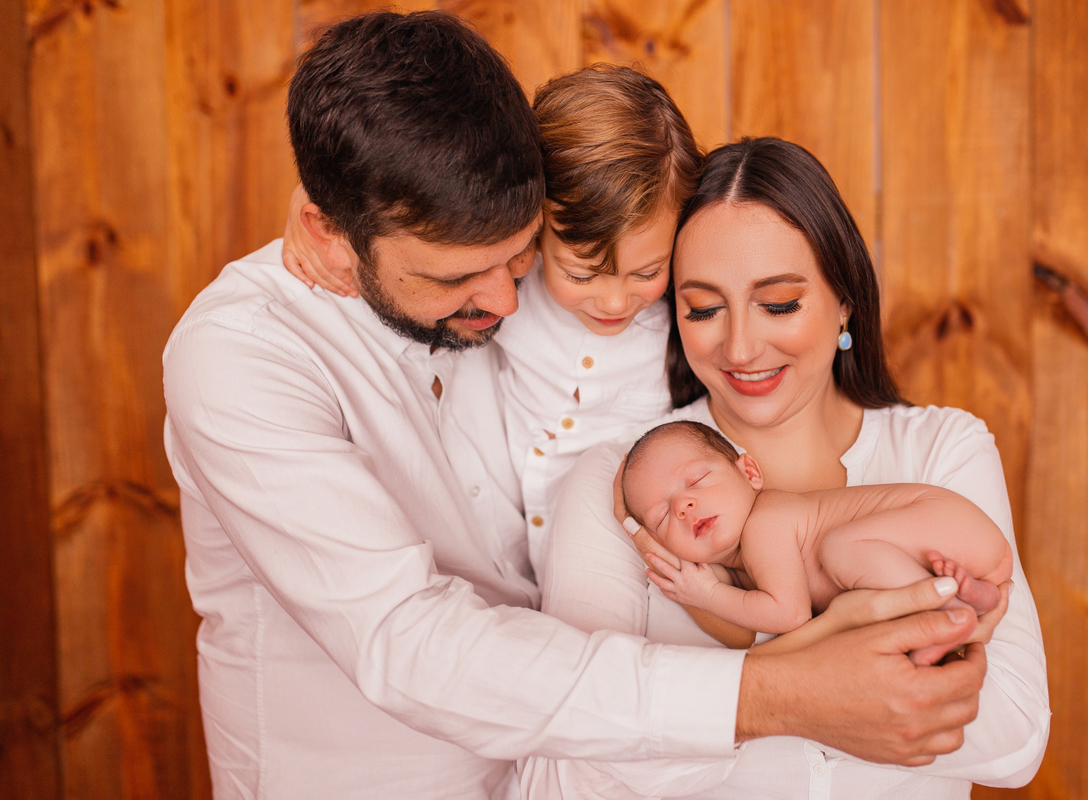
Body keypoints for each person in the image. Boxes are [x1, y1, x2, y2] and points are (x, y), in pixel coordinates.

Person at [164, 10, 1000, 799]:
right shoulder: (241, 359)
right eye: (457, 278)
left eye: (524, 255)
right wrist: (775, 692)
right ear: (323, 231)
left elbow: (635, 176)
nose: (505, 303)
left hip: (555, 772)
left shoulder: (516, 270)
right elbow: (406, 643)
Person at [521, 138, 1049, 799]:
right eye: (704, 309)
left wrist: (701, 708)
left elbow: (1015, 740)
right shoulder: (625, 483)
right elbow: (580, 765)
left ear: (845, 301)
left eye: (778, 304)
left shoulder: (942, 449)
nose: (740, 346)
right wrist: (808, 685)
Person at [284, 64, 703, 584]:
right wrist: (307, 196)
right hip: (528, 574)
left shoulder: (686, 323)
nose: (616, 300)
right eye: (583, 273)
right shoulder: (511, 286)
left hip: (646, 566)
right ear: (537, 226)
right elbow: (435, 173)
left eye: (647, 272)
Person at [621, 420, 1011, 664]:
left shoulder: (766, 521)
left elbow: (790, 616)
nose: (685, 506)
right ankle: (970, 597)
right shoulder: (742, 570)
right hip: (957, 549)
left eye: (696, 481)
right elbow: (745, 630)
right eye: (663, 515)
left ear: (750, 472)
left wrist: (706, 595)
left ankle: (945, 611)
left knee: (841, 548)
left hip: (945, 520)